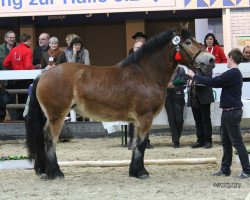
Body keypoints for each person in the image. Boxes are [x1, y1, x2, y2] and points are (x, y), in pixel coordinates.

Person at [187, 48, 250, 179]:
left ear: (231, 58)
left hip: (231, 113)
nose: (227, 60)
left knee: (237, 143)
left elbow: (214, 82)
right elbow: (215, 82)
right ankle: (225, 169)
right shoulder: (233, 73)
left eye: (228, 58)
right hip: (228, 112)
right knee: (226, 142)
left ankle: (247, 170)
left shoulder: (232, 73)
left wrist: (195, 76)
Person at [127, 40, 153, 150]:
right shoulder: (129, 62)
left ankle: (145, 141)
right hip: (131, 94)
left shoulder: (149, 62)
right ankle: (131, 141)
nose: (139, 49)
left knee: (146, 118)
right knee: (131, 118)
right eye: (137, 48)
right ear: (133, 49)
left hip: (145, 95)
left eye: (141, 47)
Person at [3, 33, 36, 120]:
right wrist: (35, 67)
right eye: (30, 40)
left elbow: (5, 63)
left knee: (18, 98)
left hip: (16, 79)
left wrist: (14, 68)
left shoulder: (13, 50)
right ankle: (25, 117)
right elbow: (28, 66)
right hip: (26, 79)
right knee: (26, 98)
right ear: (28, 40)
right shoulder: (28, 50)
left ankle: (18, 118)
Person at [165, 66, 186, 148]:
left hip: (179, 97)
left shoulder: (181, 70)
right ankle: (176, 141)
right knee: (171, 119)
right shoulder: (165, 68)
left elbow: (184, 82)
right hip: (167, 97)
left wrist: (174, 86)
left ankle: (176, 138)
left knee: (179, 119)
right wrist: (167, 85)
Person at [0, 31, 18, 121]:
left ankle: (16, 120)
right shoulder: (0, 49)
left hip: (18, 80)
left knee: (19, 101)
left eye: (13, 37)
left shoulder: (19, 47)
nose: (12, 39)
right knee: (3, 101)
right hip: (4, 81)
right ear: (5, 38)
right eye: (10, 37)